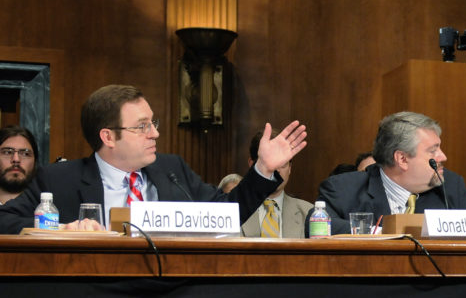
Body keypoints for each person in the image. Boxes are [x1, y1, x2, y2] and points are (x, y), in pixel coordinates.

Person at [0, 84, 306, 233]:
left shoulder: (173, 170)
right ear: (108, 137)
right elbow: (5, 219)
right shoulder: (60, 179)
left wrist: (264, 169)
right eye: (142, 127)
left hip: (170, 296)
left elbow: (225, 213)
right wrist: (59, 229)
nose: (154, 134)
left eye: (153, 123)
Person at [312, 111, 466, 234]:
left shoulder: (450, 186)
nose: (443, 157)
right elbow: (315, 226)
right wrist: (387, 232)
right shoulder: (344, 189)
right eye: (433, 151)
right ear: (402, 159)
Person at [240, 129, 312, 238]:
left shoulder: (309, 213)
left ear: (290, 168)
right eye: (269, 162)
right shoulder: (231, 212)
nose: (276, 170)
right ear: (251, 164)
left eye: (282, 163)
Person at [0, 125, 39, 205]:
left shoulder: (48, 209)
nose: (16, 159)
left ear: (35, 161)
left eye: (25, 154)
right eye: (7, 152)